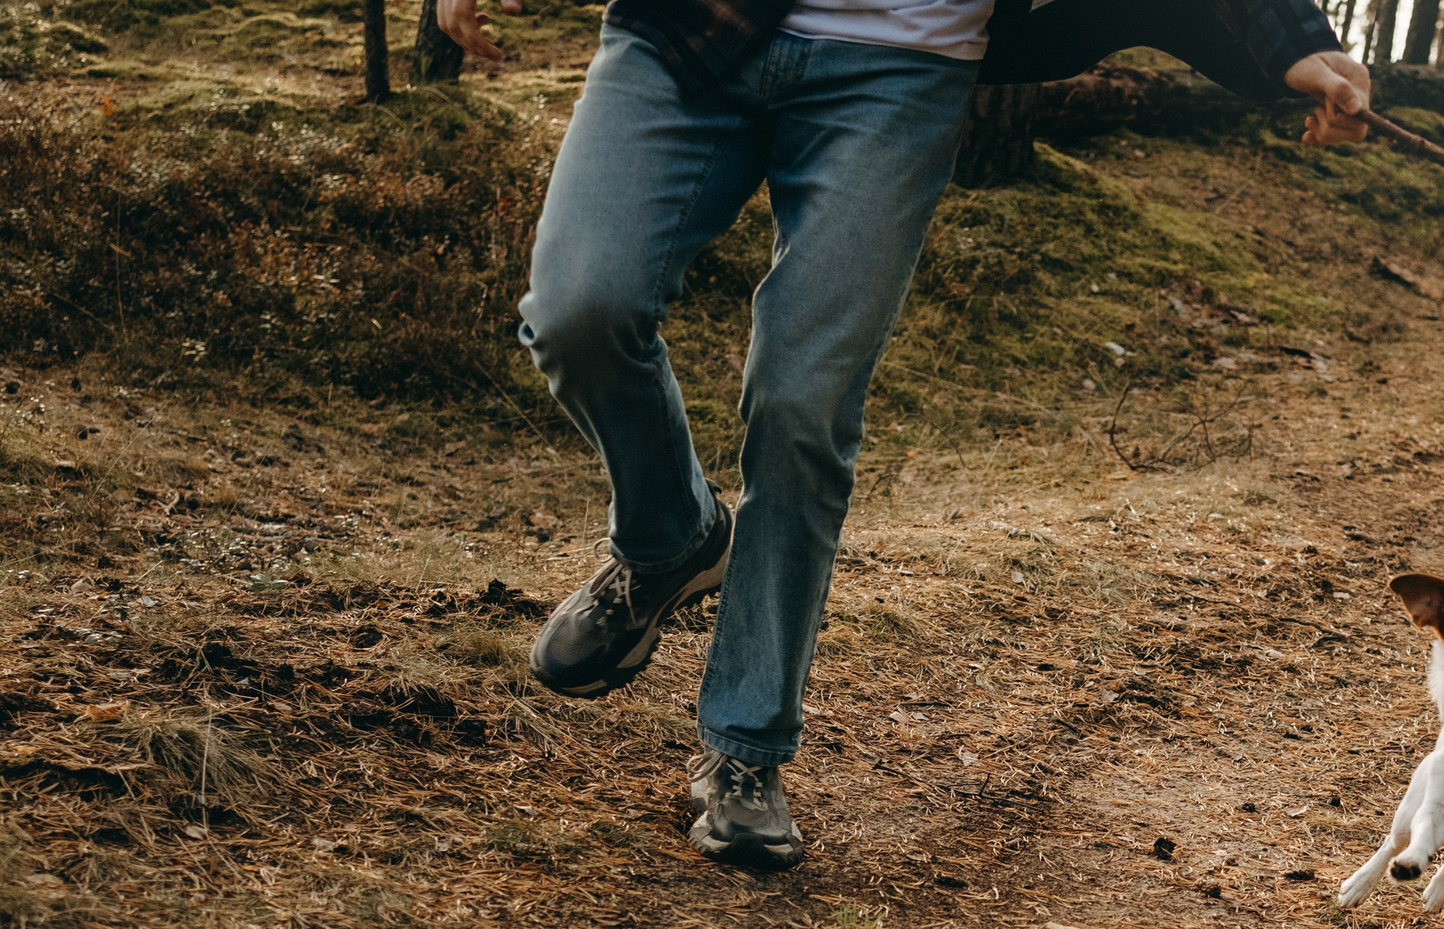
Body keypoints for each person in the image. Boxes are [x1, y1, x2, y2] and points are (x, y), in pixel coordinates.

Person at [437, 0, 1373, 867]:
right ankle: (669, 541)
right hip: (690, 28)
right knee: (576, 311)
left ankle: (745, 751)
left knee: (805, 403)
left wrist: (1296, 40)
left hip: (898, 66)